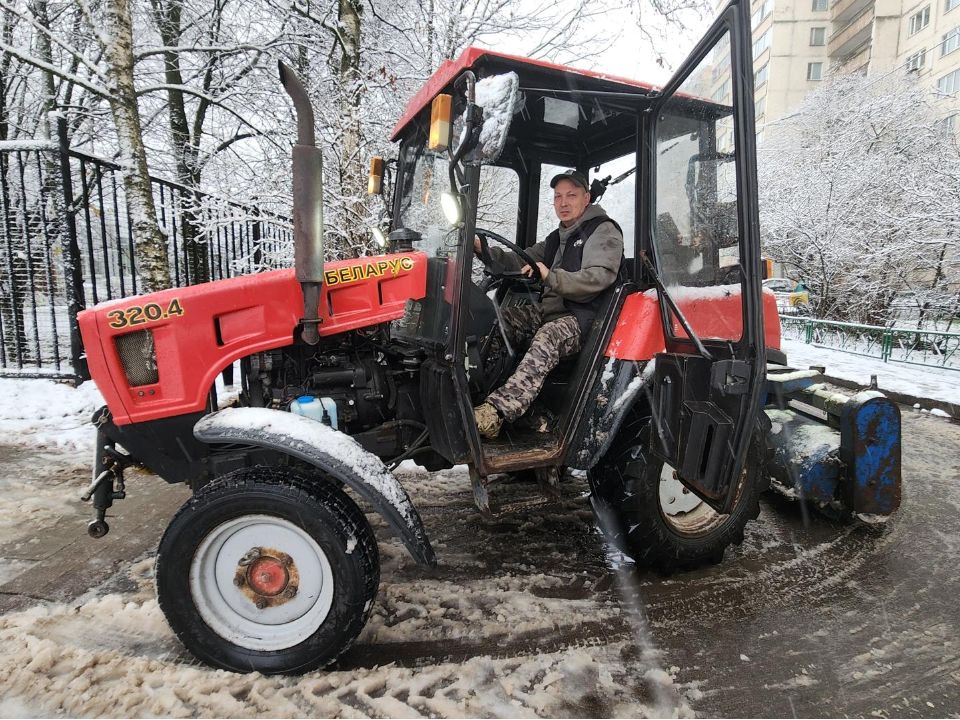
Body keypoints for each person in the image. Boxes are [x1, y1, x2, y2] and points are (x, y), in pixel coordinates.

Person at [473, 170, 624, 440]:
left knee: (548, 336)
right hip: (551, 312)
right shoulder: (557, 238)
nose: (563, 203)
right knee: (496, 319)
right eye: (558, 197)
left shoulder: (602, 230)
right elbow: (520, 260)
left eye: (571, 196)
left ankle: (496, 413)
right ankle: (481, 391)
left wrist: (549, 276)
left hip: (587, 318)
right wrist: (481, 249)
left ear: (586, 198)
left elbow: (598, 277)